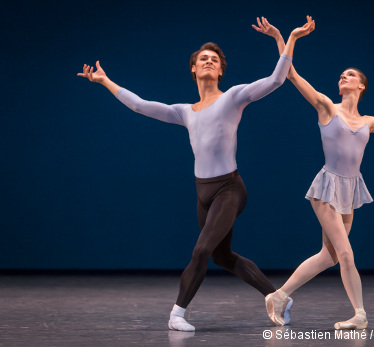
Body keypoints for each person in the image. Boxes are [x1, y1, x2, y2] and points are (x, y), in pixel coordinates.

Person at [77, 18, 315, 331]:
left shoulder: (233, 97)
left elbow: (275, 80)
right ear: (193, 69)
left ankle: (177, 313)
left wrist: (287, 38)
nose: (208, 61)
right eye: (203, 58)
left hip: (229, 189)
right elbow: (140, 105)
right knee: (222, 256)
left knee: (201, 250)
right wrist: (105, 81)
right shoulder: (185, 112)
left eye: (214, 60)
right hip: (202, 191)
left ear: (220, 72)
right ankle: (277, 296)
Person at [253, 16, 374, 329]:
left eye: (350, 75)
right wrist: (287, 37)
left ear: (360, 86)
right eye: (341, 75)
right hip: (327, 188)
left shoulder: (368, 121)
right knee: (345, 252)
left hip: (351, 189)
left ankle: (279, 295)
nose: (343, 77)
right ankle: (360, 315)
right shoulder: (327, 107)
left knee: (329, 256)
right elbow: (291, 75)